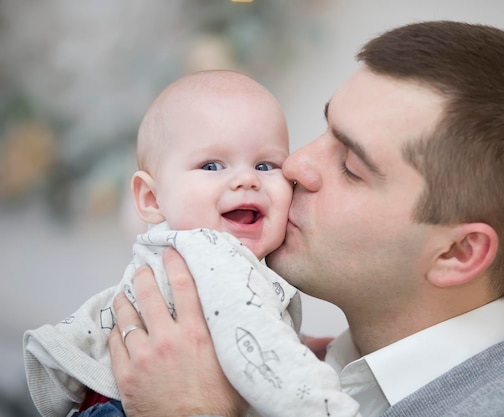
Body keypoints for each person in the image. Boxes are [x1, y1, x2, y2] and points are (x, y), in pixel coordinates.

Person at [108, 20, 504, 417]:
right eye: (326, 129)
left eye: (351, 167)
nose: (294, 166)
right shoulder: (310, 365)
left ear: (456, 253)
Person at [23, 70, 360, 417]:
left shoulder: (191, 258)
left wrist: (296, 344)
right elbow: (255, 349)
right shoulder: (213, 252)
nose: (246, 179)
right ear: (152, 199)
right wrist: (325, 404)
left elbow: (230, 331)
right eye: (211, 165)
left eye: (265, 164)